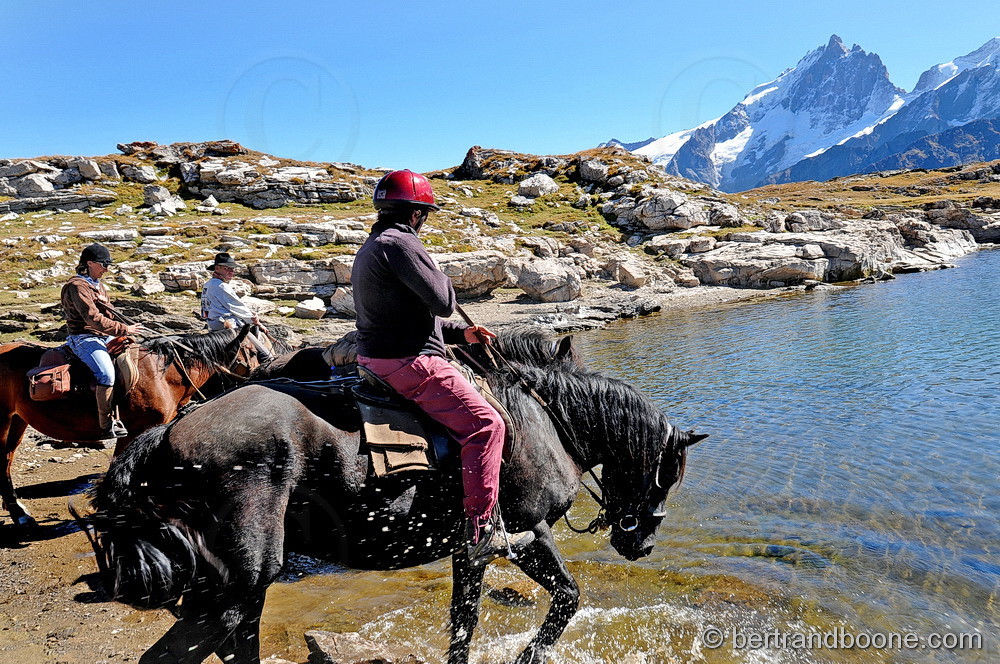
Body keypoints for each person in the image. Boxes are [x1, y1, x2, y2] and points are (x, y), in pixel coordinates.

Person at [352, 169, 533, 566]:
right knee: (488, 425)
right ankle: (482, 530)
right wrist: (436, 267)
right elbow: (442, 301)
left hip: (380, 355)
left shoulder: (372, 245)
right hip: (409, 362)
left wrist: (461, 335)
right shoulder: (402, 243)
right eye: (424, 215)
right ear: (417, 214)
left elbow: (416, 315)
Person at [60, 244, 144, 438]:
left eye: (108, 265)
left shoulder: (97, 285)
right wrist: (124, 329)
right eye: (103, 264)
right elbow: (93, 319)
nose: (106, 269)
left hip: (103, 335)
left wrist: (109, 309)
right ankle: (106, 424)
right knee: (106, 374)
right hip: (84, 337)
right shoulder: (77, 286)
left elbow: (106, 314)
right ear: (89, 263)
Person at [200, 252, 273, 362]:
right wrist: (256, 322)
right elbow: (237, 307)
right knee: (267, 356)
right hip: (228, 327)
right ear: (217, 268)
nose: (231, 272)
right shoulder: (221, 286)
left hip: (212, 327)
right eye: (227, 269)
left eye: (232, 269)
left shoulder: (208, 284)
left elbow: (205, 311)